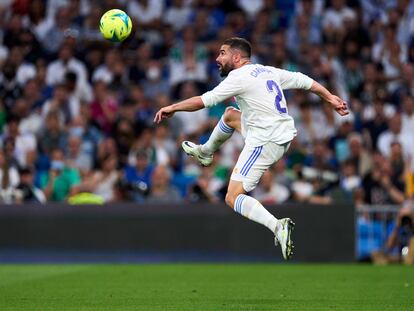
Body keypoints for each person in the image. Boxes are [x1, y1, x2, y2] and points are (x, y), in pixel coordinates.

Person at [154, 37, 349, 260]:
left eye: (222, 53)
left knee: (232, 196)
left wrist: (173, 107)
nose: (217, 58)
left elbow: (203, 101)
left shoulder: (238, 77)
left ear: (236, 57)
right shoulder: (266, 71)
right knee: (230, 116)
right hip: (278, 132)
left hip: (264, 141)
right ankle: (205, 152)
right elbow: (303, 80)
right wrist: (330, 97)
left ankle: (277, 226)